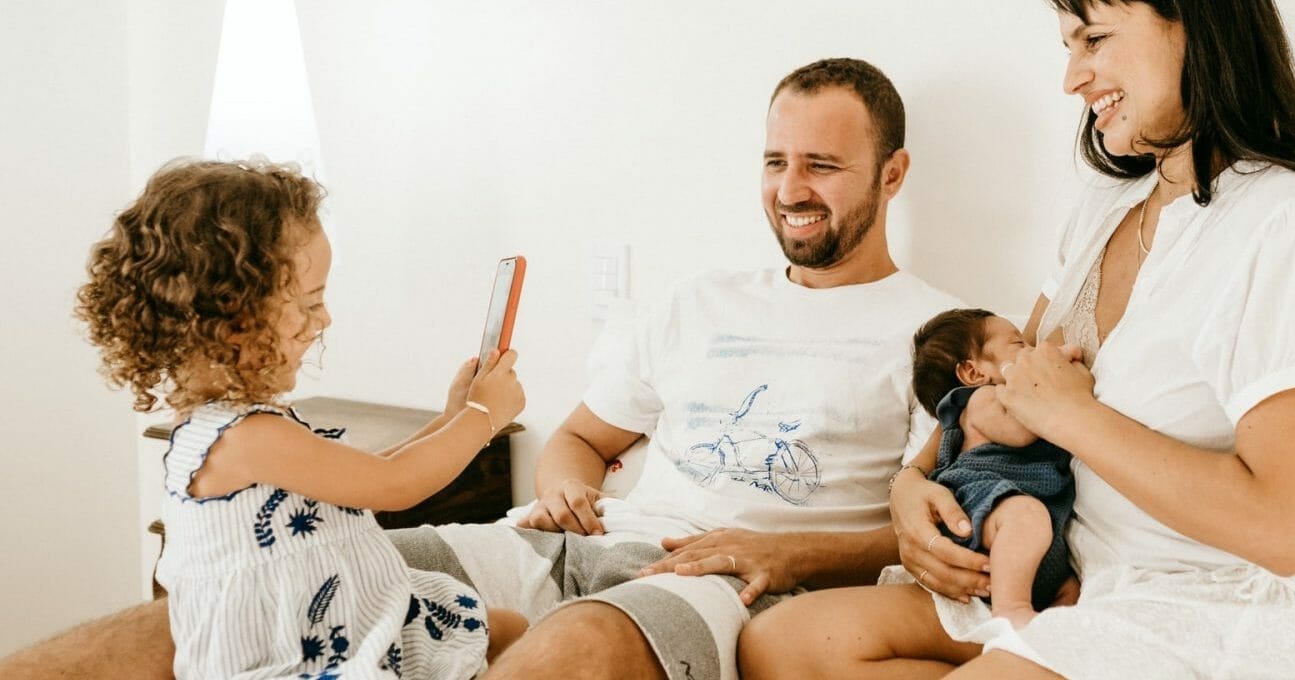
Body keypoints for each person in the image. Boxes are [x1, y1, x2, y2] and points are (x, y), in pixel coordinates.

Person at [0, 58, 962, 680]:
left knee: (578, 644)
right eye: (774, 159)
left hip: (724, 575)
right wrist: (566, 490)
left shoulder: (938, 331)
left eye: (823, 167)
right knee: (285, 578)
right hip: (571, 539)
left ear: (893, 174)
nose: (790, 189)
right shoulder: (697, 300)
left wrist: (792, 554)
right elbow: (584, 438)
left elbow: (936, 532)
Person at [740, 1, 1295, 678]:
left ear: (1198, 22)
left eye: (1094, 40)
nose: (1073, 78)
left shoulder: (1290, 219)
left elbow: (1283, 528)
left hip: (1238, 604)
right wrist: (911, 485)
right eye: (1070, 45)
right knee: (781, 645)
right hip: (1085, 581)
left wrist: (1077, 417)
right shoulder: (1111, 203)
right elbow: (1015, 384)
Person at [72, 158, 529, 678]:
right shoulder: (247, 438)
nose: (325, 319)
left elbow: (357, 480)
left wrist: (452, 417)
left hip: (332, 619)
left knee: (507, 628)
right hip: (299, 653)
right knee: (509, 634)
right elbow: (395, 485)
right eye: (311, 302)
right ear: (232, 316)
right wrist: (483, 417)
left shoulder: (233, 423)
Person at [908, 309, 1075, 628]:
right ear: (972, 373)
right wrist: (1058, 364)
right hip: (980, 505)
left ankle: (1048, 629)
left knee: (1070, 589)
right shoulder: (981, 400)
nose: (1032, 351)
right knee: (1025, 515)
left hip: (1030, 531)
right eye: (1018, 344)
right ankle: (1011, 610)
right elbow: (1024, 429)